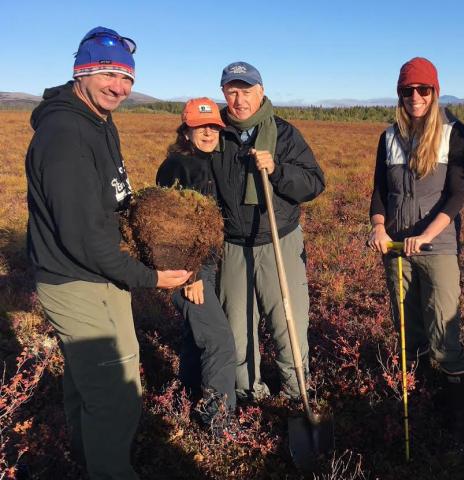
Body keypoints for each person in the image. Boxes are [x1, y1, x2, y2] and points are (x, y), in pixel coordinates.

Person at [25, 27, 191, 479]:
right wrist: (151, 278)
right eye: (106, 74)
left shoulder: (98, 120)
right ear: (82, 72)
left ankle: (87, 461)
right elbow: (83, 236)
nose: (118, 86)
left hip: (101, 275)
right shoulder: (65, 136)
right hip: (75, 279)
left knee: (91, 385)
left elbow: (112, 201)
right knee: (113, 395)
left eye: (126, 77)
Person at [366, 57, 464, 441]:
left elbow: (456, 196)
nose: (415, 97)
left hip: (438, 248)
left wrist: (428, 234)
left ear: (434, 92)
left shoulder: (454, 134)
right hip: (396, 250)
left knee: (444, 330)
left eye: (423, 90)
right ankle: (420, 401)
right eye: (408, 90)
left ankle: (457, 422)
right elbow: (380, 190)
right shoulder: (389, 137)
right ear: (400, 94)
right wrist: (378, 226)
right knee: (408, 332)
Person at [212, 61, 325, 402]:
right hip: (232, 246)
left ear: (260, 92)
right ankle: (249, 396)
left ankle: (296, 395)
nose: (239, 98)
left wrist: (277, 170)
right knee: (237, 329)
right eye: (232, 91)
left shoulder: (285, 133)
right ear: (223, 93)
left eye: (246, 90)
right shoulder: (214, 133)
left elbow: (314, 183)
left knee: (288, 325)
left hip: (280, 241)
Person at [155, 98, 237, 433]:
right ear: (186, 129)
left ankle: (184, 397)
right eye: (200, 126)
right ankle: (217, 423)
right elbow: (169, 227)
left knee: (195, 336)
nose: (208, 132)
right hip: (189, 268)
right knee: (219, 341)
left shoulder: (198, 162)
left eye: (213, 126)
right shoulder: (184, 167)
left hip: (197, 266)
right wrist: (191, 274)